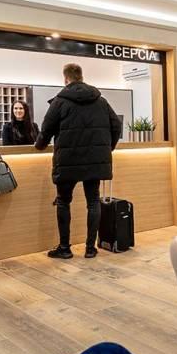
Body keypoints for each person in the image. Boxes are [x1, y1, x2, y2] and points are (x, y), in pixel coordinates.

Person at [35, 63, 122, 259]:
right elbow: (116, 125)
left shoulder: (59, 102)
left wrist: (39, 146)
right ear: (81, 77)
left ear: (65, 79)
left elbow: (46, 129)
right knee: (93, 202)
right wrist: (106, 149)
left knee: (64, 202)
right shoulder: (101, 101)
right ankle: (90, 248)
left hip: (67, 162)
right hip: (94, 161)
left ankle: (65, 248)